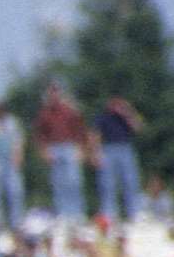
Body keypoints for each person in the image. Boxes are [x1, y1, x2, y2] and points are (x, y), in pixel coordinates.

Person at [34, 81, 89, 223]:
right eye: (51, 93)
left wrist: (81, 149)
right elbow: (40, 134)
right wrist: (44, 151)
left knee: (74, 181)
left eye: (56, 92)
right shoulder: (44, 113)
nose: (54, 96)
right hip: (54, 149)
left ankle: (77, 213)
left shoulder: (70, 111)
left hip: (70, 147)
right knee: (58, 183)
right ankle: (63, 213)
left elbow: (80, 130)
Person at [93, 95, 145, 223]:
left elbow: (138, 128)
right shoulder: (102, 117)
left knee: (131, 181)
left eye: (119, 104)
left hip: (125, 148)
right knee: (107, 183)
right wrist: (96, 153)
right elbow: (96, 135)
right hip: (107, 149)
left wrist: (128, 113)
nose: (117, 107)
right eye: (114, 104)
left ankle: (135, 212)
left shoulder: (126, 117)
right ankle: (109, 213)